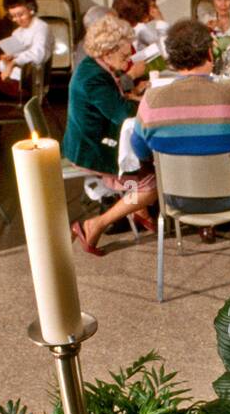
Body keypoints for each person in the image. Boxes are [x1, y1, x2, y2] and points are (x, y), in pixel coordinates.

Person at [129, 19, 230, 241]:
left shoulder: (151, 100)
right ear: (209, 53)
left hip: (173, 198)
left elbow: (140, 151)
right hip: (229, 198)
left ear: (172, 59)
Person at [63, 14, 159, 254]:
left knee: (148, 160)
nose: (128, 61)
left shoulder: (93, 66)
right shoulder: (94, 78)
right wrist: (155, 105)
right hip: (91, 147)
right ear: (108, 52)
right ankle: (95, 224)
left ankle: (137, 209)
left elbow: (116, 103)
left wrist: (137, 97)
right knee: (153, 183)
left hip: (94, 137)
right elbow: (123, 114)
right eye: (125, 56)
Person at [0, 0, 54, 101]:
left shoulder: (41, 27)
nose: (17, 19)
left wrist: (13, 62)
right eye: (13, 16)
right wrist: (6, 60)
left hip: (32, 83)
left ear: (31, 9)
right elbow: (10, 63)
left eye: (20, 14)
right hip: (16, 80)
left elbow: (38, 54)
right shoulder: (17, 32)